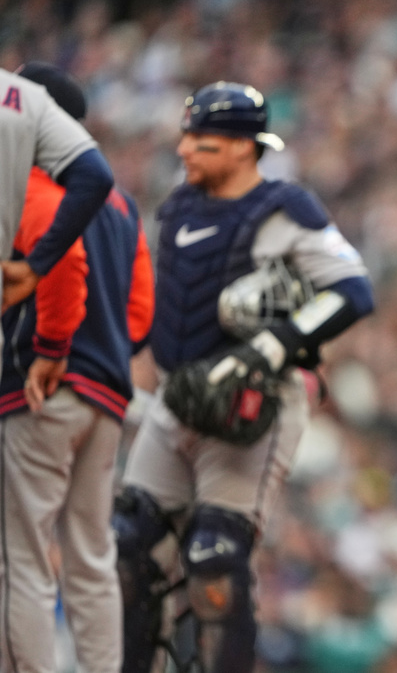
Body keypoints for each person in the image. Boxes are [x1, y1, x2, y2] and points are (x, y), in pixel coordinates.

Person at [113, 81, 374, 673]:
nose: (185, 149)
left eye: (202, 138)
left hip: (249, 410)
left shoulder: (285, 209)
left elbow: (353, 290)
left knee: (214, 559)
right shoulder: (179, 207)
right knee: (127, 545)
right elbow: (169, 306)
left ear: (241, 146)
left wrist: (274, 343)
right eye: (187, 135)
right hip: (177, 400)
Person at [0, 62, 155, 673]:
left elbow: (60, 266)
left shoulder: (33, 180)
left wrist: (55, 348)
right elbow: (141, 311)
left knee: (22, 559)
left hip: (43, 391)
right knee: (91, 557)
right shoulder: (120, 203)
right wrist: (105, 345)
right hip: (105, 397)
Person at [0, 66, 116, 313]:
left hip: (54, 345)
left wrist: (51, 348)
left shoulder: (40, 192)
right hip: (108, 348)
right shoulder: (121, 203)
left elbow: (68, 261)